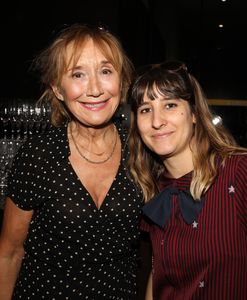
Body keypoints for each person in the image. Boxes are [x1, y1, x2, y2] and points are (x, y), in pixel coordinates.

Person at [127, 60, 247, 299]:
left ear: (194, 114)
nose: (157, 121)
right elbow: (157, 276)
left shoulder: (241, 171)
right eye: (145, 109)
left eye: (170, 105)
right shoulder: (153, 187)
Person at [0, 23, 144, 299]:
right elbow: (9, 253)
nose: (94, 89)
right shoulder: (38, 155)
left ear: (121, 80)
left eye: (105, 71)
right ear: (57, 88)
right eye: (78, 74)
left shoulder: (140, 150)